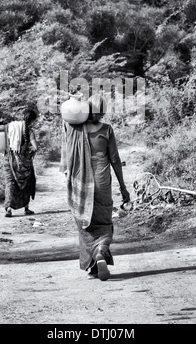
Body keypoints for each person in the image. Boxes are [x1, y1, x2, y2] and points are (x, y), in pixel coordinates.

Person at [60, 94, 130, 281]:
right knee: (104, 223)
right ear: (103, 111)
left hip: (80, 183)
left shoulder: (74, 129)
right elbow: (114, 159)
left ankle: (95, 259)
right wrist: (123, 187)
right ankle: (100, 252)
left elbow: (66, 119)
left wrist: (74, 104)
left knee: (85, 225)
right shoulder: (106, 130)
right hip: (102, 183)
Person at [4, 108, 38, 218]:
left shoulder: (11, 128)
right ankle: (26, 208)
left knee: (10, 183)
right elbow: (35, 147)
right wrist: (28, 154)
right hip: (24, 164)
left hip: (10, 161)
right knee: (27, 184)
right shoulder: (30, 131)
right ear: (32, 120)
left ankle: (9, 208)